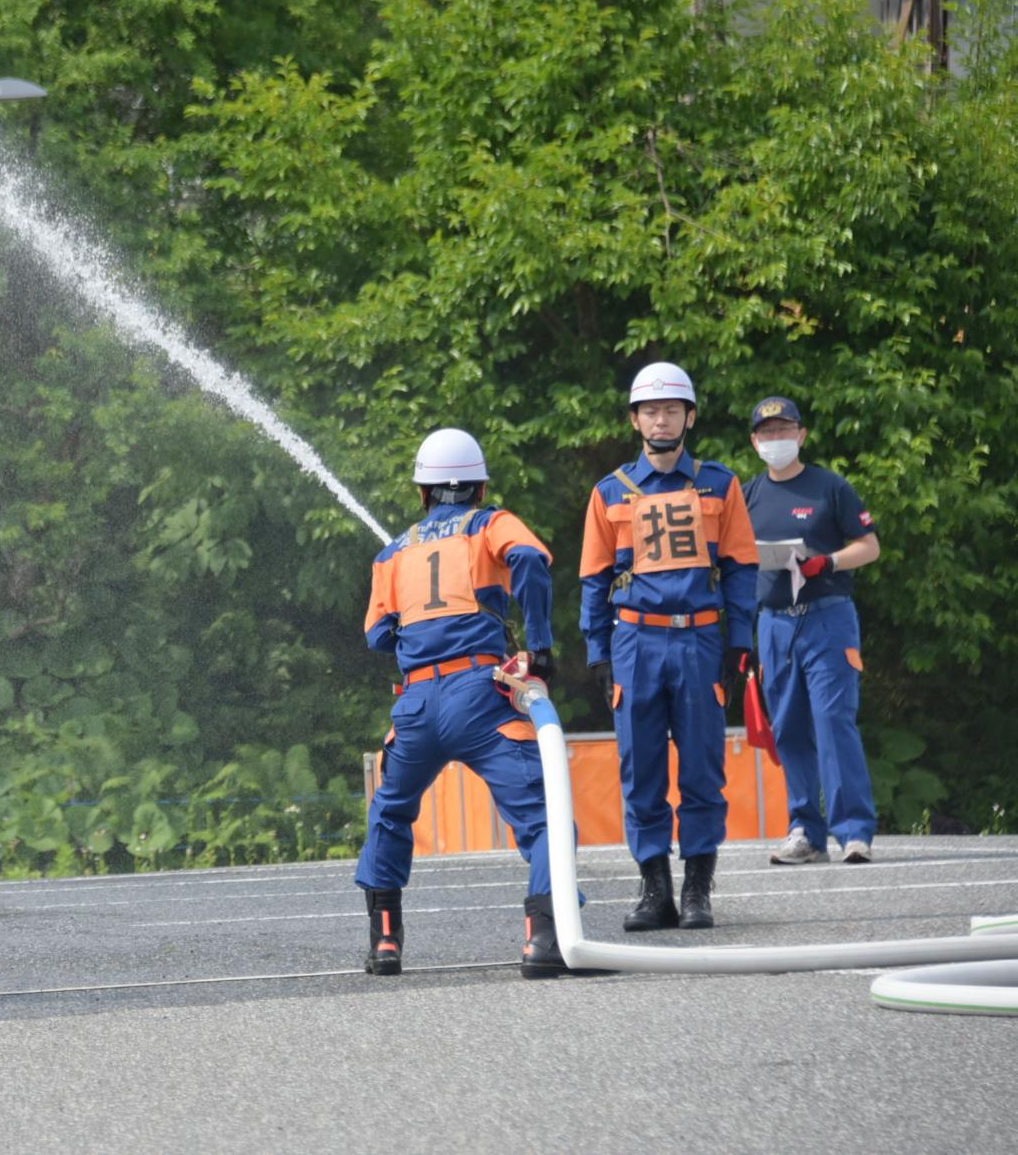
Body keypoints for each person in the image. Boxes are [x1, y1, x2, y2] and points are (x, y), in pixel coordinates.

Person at [357, 428, 569, 979]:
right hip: (481, 694)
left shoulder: (394, 551)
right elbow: (529, 559)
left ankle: (384, 942)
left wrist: (420, 631)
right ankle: (544, 939)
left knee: (391, 812)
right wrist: (539, 649)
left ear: (423, 493)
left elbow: (378, 635)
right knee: (544, 819)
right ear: (478, 488)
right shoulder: (491, 524)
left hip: (418, 704)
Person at [580, 363, 759, 931]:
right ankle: (654, 887)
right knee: (641, 770)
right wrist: (598, 654)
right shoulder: (608, 492)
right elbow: (593, 577)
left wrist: (741, 645)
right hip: (633, 639)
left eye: (672, 409)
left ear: (690, 416)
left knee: (704, 768)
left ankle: (698, 889)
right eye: (651, 410)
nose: (661, 419)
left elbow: (741, 568)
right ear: (635, 419)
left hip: (700, 638)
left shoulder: (721, 484)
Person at [743, 397, 882, 865]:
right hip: (773, 623)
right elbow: (736, 564)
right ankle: (804, 829)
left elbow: (870, 545)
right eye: (767, 433)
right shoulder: (747, 495)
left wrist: (829, 561)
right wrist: (744, 634)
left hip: (826, 614)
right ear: (754, 441)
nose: (775, 439)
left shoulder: (829, 486)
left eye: (784, 430)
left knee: (833, 720)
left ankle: (854, 830)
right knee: (788, 728)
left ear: (801, 435)